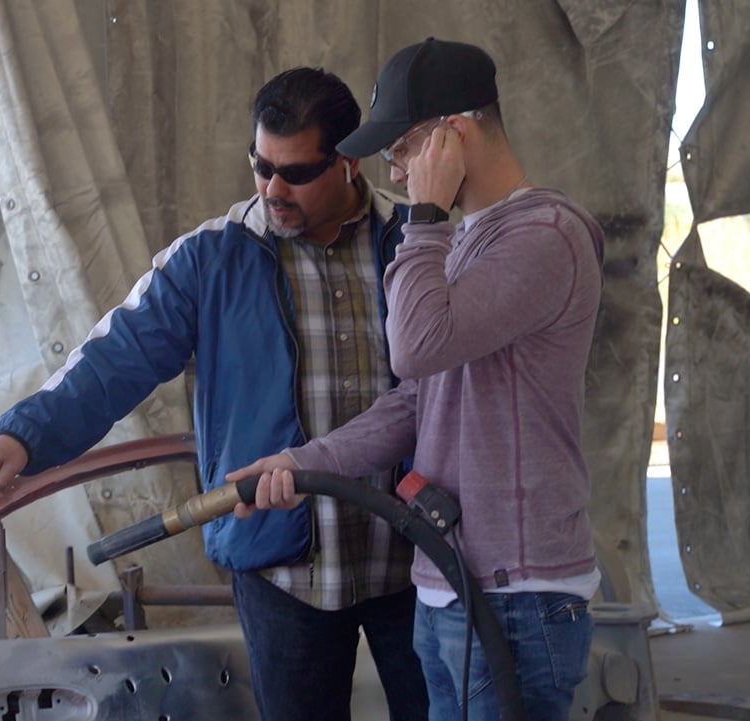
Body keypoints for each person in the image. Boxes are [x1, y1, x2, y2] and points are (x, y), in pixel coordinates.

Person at [0, 67, 429, 721]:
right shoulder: (210, 258)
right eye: (261, 166)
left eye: (297, 173)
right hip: (283, 567)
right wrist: (24, 435)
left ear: (349, 162)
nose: (272, 189)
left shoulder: (416, 244)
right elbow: (114, 358)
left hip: (415, 557)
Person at [229, 38, 605, 721]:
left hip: (516, 595)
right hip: (451, 584)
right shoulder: (463, 243)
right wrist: (295, 463)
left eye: (403, 150)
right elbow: (414, 401)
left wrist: (424, 219)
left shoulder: (547, 234)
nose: (397, 175)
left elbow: (415, 347)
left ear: (453, 133)